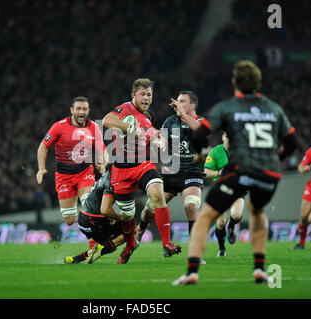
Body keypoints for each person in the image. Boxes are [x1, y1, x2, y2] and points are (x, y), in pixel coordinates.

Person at [172, 60, 297, 285]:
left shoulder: (227, 107)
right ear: (258, 83)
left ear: (234, 83)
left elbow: (200, 133)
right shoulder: (273, 108)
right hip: (270, 176)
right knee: (258, 213)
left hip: (241, 171)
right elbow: (292, 142)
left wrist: (200, 154)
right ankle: (259, 269)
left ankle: (191, 272)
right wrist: (273, 161)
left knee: (205, 217)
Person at [102, 78, 182, 264]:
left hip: (143, 165)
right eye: (142, 94)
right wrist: (130, 128)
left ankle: (167, 243)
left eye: (149, 95)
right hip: (121, 170)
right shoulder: (125, 109)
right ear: (133, 95)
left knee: (157, 195)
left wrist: (160, 142)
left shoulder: (148, 118)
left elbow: (156, 139)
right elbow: (107, 120)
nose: (146, 98)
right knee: (128, 216)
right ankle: (130, 246)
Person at [135, 91, 207, 263]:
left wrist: (184, 115)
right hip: (171, 173)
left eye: (183, 102)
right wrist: (157, 144)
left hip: (192, 174)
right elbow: (162, 144)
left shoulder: (202, 121)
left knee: (191, 207)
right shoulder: (170, 122)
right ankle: (139, 234)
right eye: (178, 101)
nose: (178, 104)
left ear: (192, 106)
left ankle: (195, 254)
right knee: (149, 210)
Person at [36, 96, 108, 250]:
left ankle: (93, 246)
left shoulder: (94, 127)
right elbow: (43, 147)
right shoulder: (59, 127)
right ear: (72, 110)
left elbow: (102, 149)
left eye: (84, 109)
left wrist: (103, 164)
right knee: (69, 219)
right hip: (64, 177)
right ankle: (93, 234)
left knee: (88, 204)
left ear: (88, 111)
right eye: (78, 109)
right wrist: (41, 168)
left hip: (85, 173)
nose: (81, 111)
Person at [64, 169, 134, 264]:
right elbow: (105, 210)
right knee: (129, 231)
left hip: (82, 219)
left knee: (109, 246)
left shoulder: (106, 176)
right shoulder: (112, 181)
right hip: (94, 219)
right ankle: (98, 252)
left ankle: (76, 259)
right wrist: (117, 217)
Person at [204, 132, 245, 257]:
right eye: (227, 136)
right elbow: (206, 172)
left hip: (237, 188)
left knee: (236, 215)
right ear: (223, 137)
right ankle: (222, 248)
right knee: (221, 223)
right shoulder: (215, 152)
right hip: (221, 189)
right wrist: (218, 173)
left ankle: (231, 227)